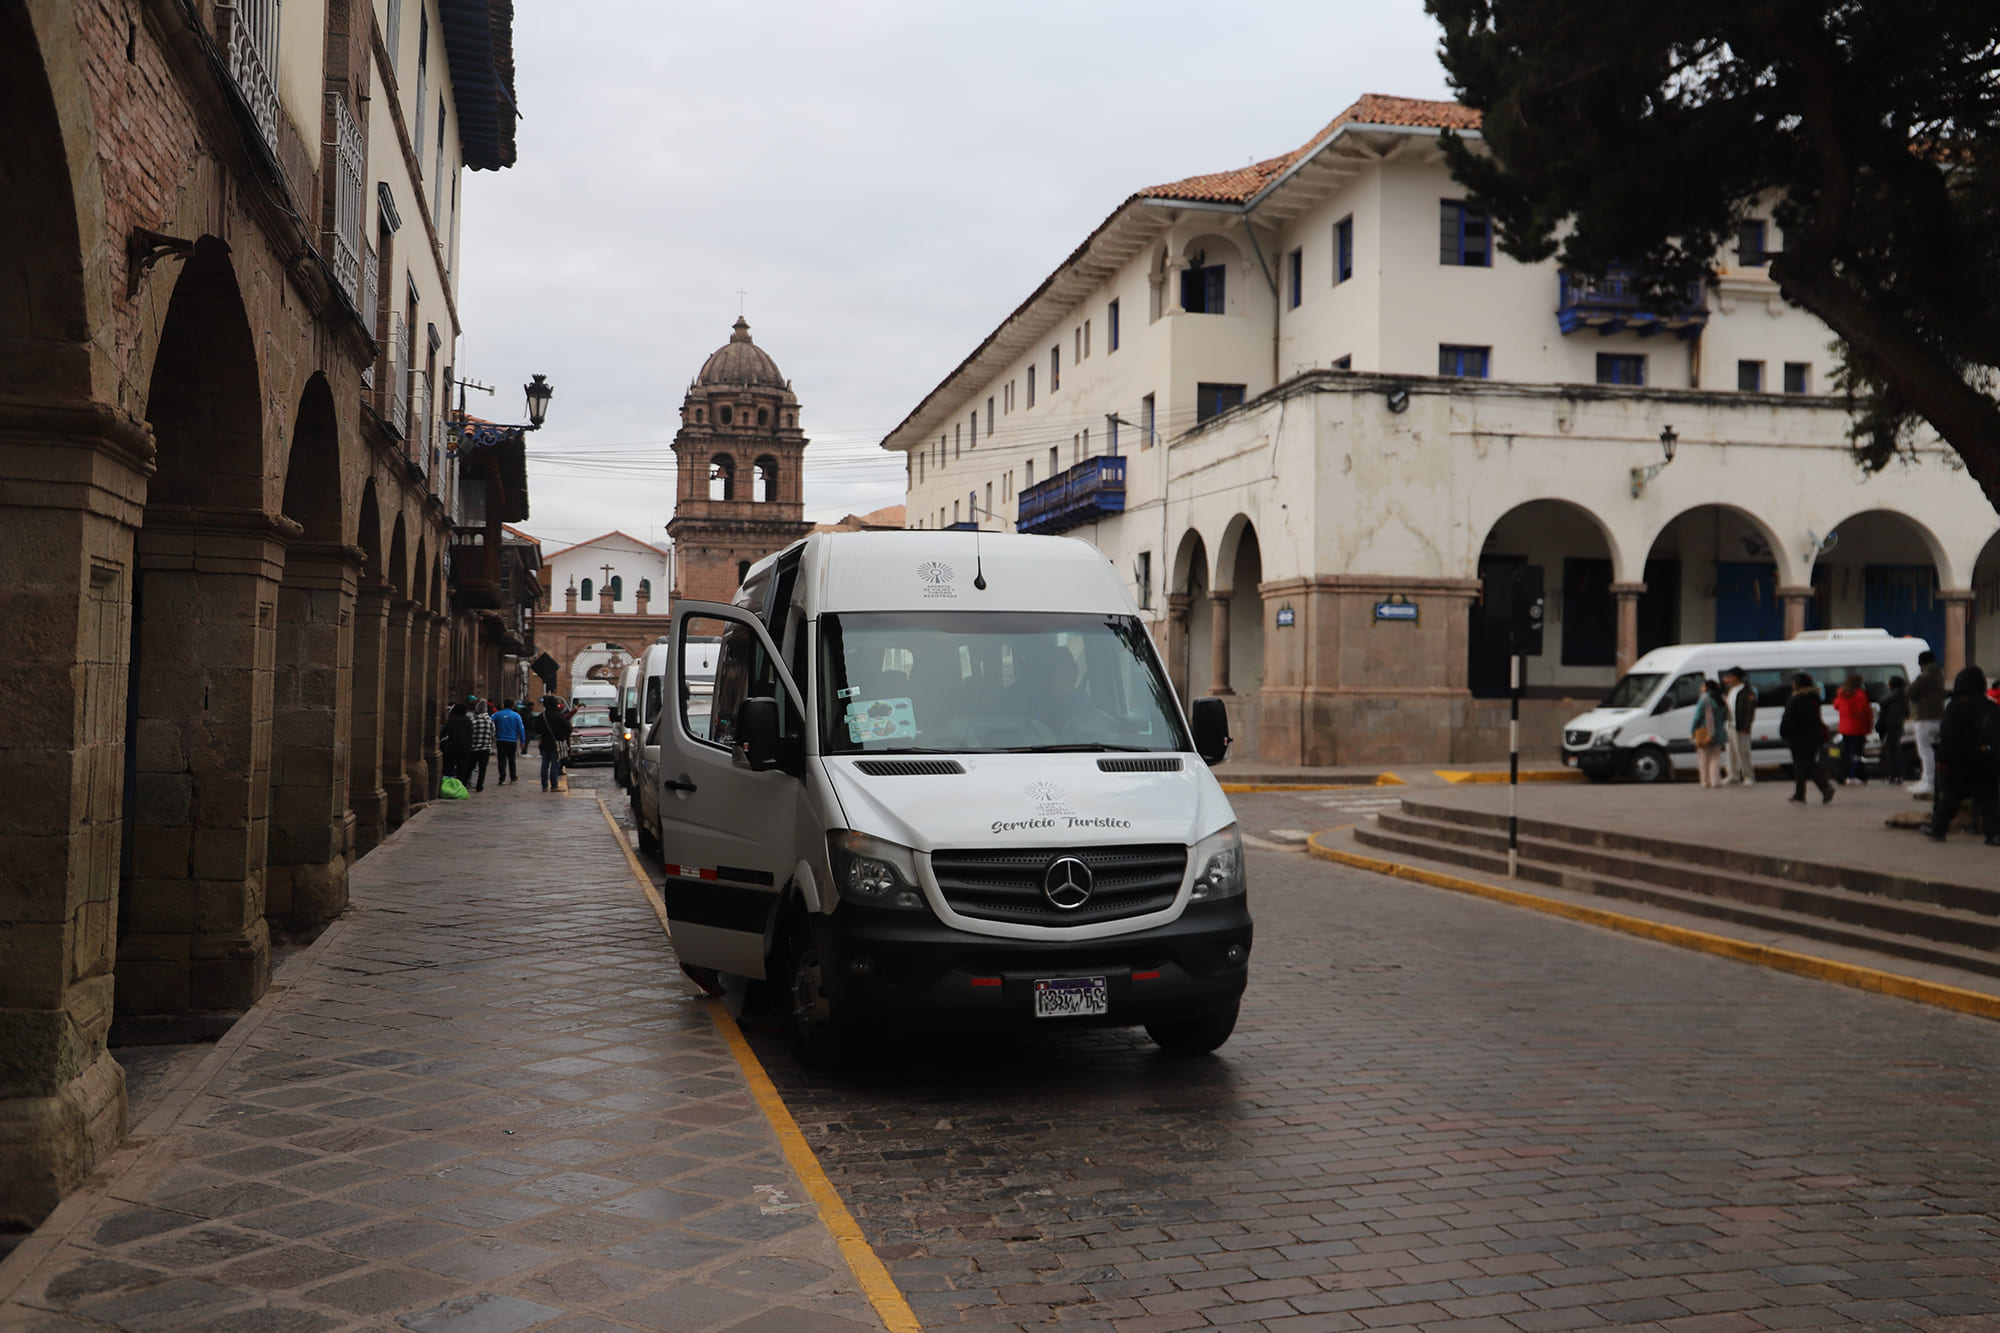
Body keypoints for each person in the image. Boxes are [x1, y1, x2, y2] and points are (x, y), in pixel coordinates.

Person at [1922, 666, 2000, 845]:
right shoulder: (1991, 707)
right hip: (1988, 759)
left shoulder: (1957, 706)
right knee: (1988, 798)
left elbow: (1949, 735)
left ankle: (1939, 828)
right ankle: (1993, 833)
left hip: (1961, 760)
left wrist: (1943, 758)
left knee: (1952, 796)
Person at [1779, 672, 1834, 804]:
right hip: (1814, 737)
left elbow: (1788, 719)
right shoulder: (1813, 698)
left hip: (1798, 739)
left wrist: (1784, 732)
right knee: (1801, 766)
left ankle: (1826, 788)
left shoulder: (1796, 699)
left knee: (1806, 766)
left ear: (1798, 684)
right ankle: (1799, 794)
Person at [1907, 651, 1946, 797]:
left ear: (1921, 663)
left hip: (1925, 717)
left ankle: (1928, 782)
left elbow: (1910, 692)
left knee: (1925, 752)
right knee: (1932, 751)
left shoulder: (1924, 677)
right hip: (1938, 717)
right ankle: (1929, 781)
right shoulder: (1939, 675)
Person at [1833, 672, 1874, 785]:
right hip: (1858, 728)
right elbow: (1862, 711)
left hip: (1845, 728)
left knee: (1846, 753)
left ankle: (1844, 775)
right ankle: (1853, 775)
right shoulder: (1860, 695)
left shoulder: (1841, 693)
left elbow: (1836, 705)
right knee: (1857, 753)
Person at [1722, 666, 1758, 785]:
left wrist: (1746, 727)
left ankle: (1748, 776)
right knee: (1730, 752)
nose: (1727, 679)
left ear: (1736, 676)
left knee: (1743, 752)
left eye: (1729, 676)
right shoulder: (1730, 689)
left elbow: (1750, 711)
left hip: (1741, 727)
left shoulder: (1747, 691)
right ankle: (1733, 775)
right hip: (1729, 725)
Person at [1692, 677, 1729, 788]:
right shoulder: (1722, 699)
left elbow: (1698, 717)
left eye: (1703, 686)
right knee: (1716, 757)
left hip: (1705, 732)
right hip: (1718, 731)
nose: (1701, 688)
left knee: (1703, 758)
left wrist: (1693, 730)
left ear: (1707, 688)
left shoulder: (1704, 699)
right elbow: (1725, 716)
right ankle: (1715, 780)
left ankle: (1705, 780)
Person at [534, 695, 572, 792]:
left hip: (544, 743)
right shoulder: (558, 716)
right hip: (556, 743)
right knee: (555, 764)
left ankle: (544, 785)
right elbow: (568, 729)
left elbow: (536, 729)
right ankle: (554, 785)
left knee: (545, 765)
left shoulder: (541, 716)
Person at [1876, 675, 1909, 785]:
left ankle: (1895, 775)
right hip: (1898, 724)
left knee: (1893, 752)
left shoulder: (1896, 693)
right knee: (1894, 750)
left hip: (1892, 725)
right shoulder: (1903, 694)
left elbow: (1882, 701)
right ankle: (1896, 775)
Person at [491, 697, 525, 785]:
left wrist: (491, 736)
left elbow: (490, 723)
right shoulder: (516, 716)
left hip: (500, 740)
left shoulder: (496, 715)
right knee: (511, 760)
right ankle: (513, 777)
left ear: (503, 705)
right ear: (512, 706)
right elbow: (521, 729)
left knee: (501, 760)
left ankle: (502, 778)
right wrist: (522, 741)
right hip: (512, 741)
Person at [466, 698, 495, 792]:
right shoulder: (489, 720)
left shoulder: (472, 719)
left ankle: (465, 783)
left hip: (473, 748)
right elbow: (493, 732)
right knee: (483, 768)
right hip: (485, 748)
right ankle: (479, 786)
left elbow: (469, 732)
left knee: (470, 767)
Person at [440, 703, 473, 785]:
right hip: (465, 746)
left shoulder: (453, 719)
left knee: (449, 765)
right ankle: (461, 784)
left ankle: (449, 783)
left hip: (453, 745)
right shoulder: (468, 720)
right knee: (462, 766)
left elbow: (445, 731)